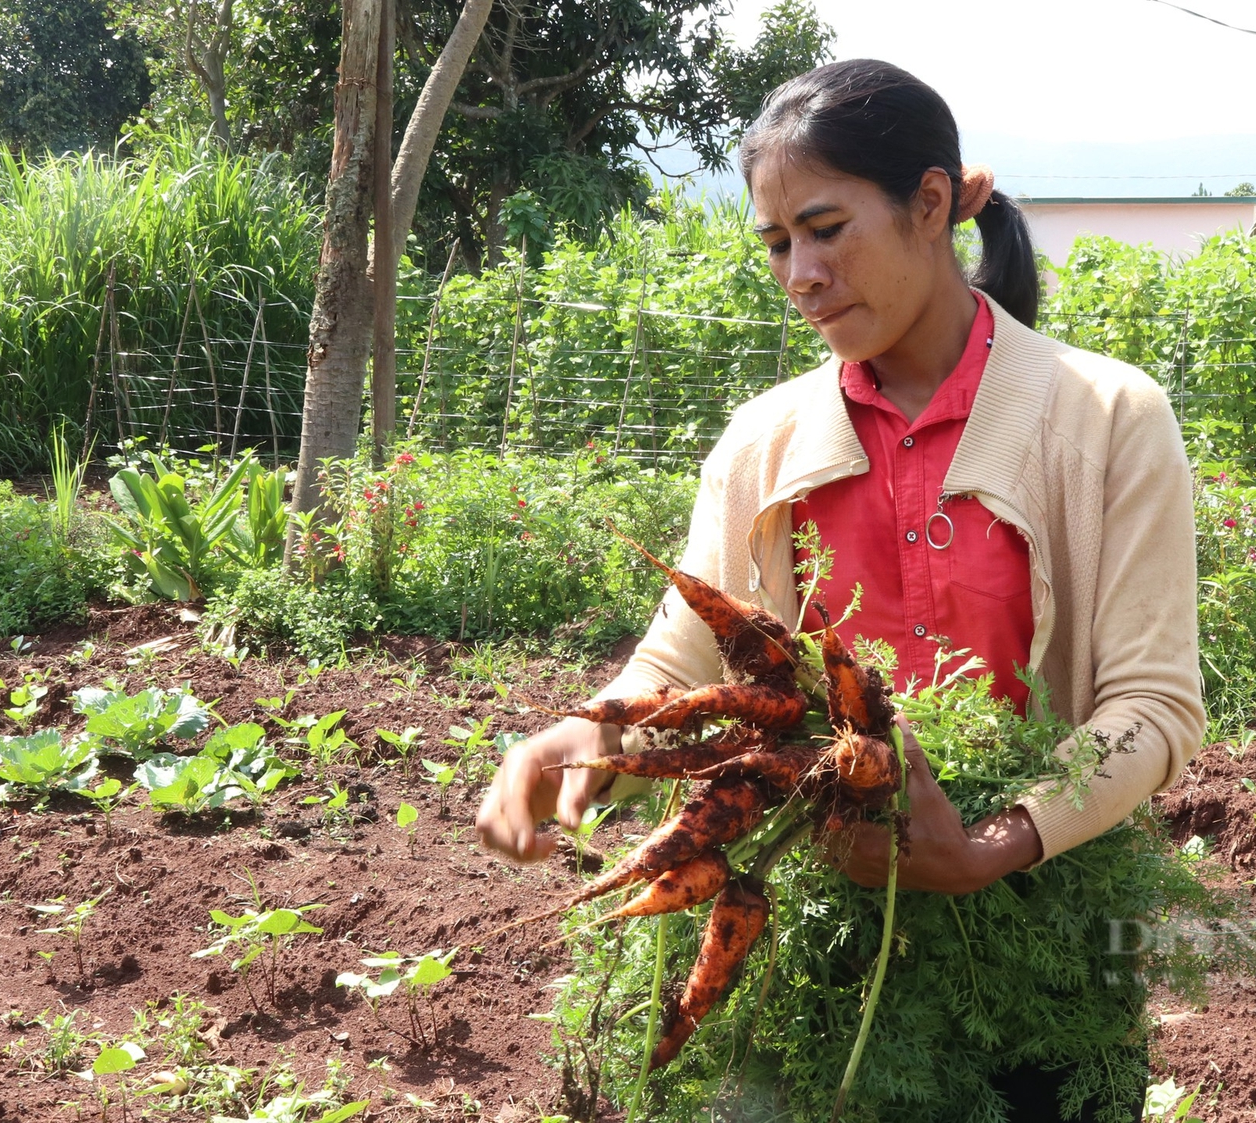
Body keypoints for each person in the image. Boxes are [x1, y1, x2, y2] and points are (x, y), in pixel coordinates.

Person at [477, 58, 1203, 1119]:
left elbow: (1152, 705)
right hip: (803, 934)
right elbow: (680, 665)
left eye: (824, 228)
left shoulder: (1103, 419)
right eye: (776, 243)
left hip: (1041, 934)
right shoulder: (762, 441)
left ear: (930, 202)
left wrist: (993, 842)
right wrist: (580, 740)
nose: (799, 274)